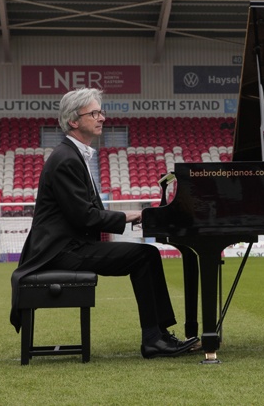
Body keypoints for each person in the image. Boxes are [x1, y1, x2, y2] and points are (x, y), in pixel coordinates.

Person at [10, 88, 197, 359]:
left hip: (70, 247)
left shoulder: (73, 155)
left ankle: (158, 335)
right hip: (61, 251)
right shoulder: (65, 159)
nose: (102, 118)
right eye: (94, 113)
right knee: (145, 256)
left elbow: (85, 212)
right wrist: (132, 215)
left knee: (147, 255)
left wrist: (132, 216)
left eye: (101, 112)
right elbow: (84, 216)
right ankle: (154, 339)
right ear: (74, 120)